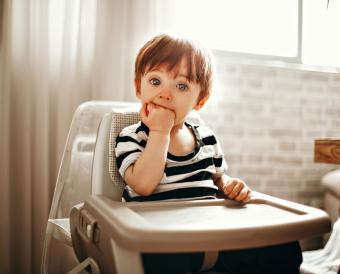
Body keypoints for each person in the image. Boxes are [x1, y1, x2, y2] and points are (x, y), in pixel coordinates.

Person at [115, 34, 302, 274]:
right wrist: (160, 131)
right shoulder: (132, 137)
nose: (165, 93)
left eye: (181, 85)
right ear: (137, 88)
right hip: (162, 242)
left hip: (211, 235)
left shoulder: (206, 137)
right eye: (155, 81)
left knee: (285, 247)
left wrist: (230, 186)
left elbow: (217, 179)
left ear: (200, 100)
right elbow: (143, 185)